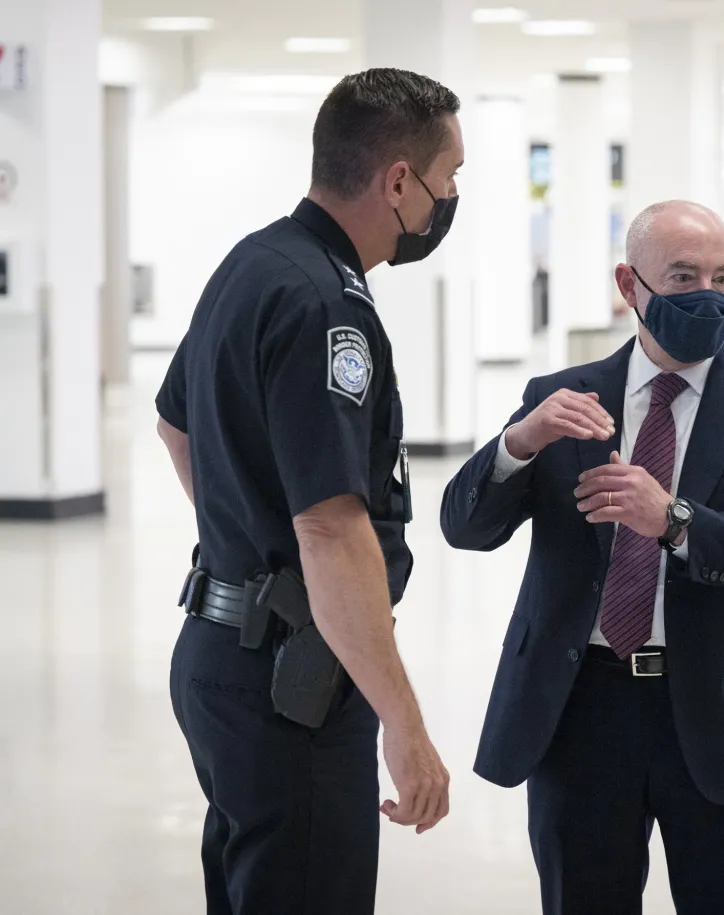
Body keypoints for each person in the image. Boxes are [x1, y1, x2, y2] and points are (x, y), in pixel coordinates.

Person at [440, 201, 724, 915]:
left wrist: (673, 520)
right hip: (581, 708)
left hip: (718, 715)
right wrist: (519, 443)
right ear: (630, 284)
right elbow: (464, 527)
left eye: (721, 277)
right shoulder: (562, 399)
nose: (706, 294)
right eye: (683, 276)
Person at [154, 69, 463, 915]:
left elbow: (175, 424)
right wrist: (404, 722)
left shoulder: (253, 262)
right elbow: (330, 530)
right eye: (449, 181)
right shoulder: (329, 304)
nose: (449, 201)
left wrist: (246, 544)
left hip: (221, 656)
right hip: (293, 684)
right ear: (399, 179)